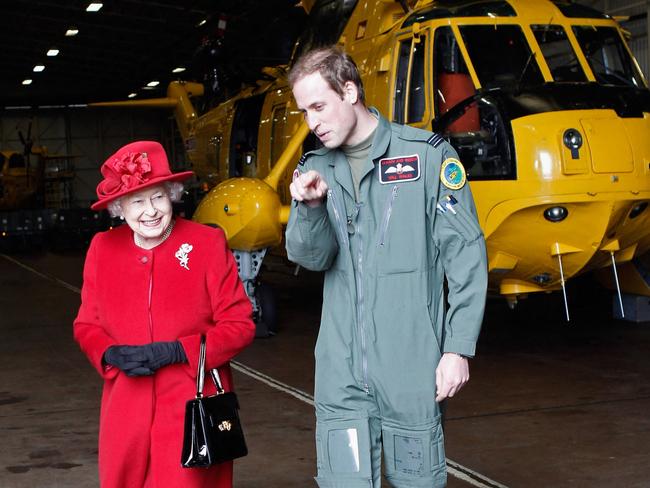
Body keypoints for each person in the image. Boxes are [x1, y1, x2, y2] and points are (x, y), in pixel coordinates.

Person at [285, 47, 488, 487]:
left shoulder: (427, 157)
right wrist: (310, 207)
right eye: (304, 111)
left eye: (319, 106)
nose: (312, 122)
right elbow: (310, 257)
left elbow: (466, 256)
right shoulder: (315, 169)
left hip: (412, 368)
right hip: (340, 372)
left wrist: (457, 348)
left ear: (351, 91)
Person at [73, 140, 255, 488]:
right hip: (125, 407)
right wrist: (108, 353)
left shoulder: (206, 243)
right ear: (118, 208)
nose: (150, 211)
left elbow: (239, 325)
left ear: (172, 194)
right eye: (137, 201)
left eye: (158, 197)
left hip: (192, 403)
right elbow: (87, 324)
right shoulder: (103, 249)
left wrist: (179, 351)